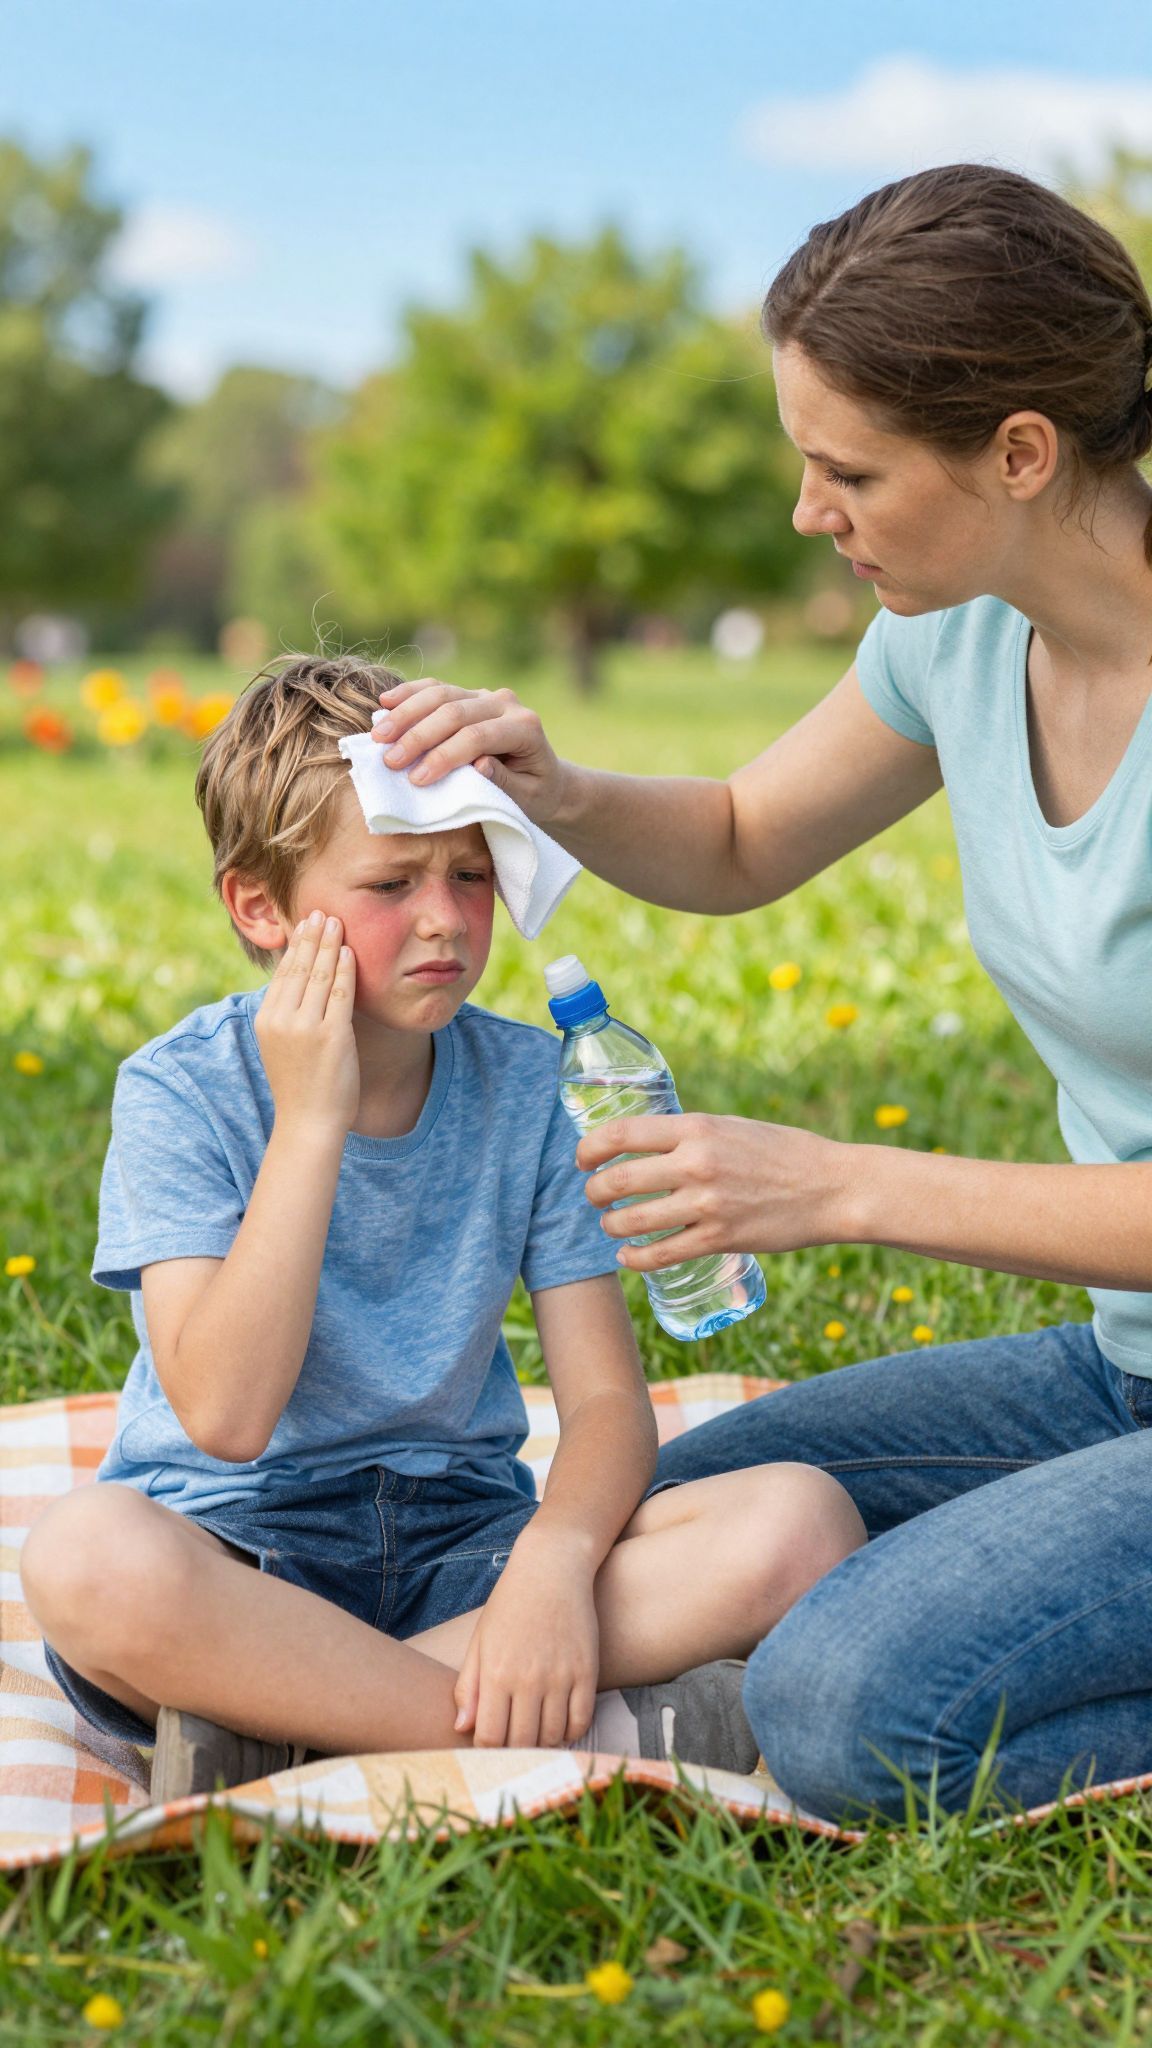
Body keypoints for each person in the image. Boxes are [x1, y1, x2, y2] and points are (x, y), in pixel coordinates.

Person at [363, 162, 1152, 1825]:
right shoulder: (959, 637)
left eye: (845, 469)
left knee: (852, 1706)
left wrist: (840, 1181)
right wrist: (552, 782)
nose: (809, 512)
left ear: (1017, 452)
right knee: (670, 1509)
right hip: (1123, 1367)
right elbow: (732, 840)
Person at [20, 654, 865, 1801]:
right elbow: (224, 1413)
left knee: (799, 1520)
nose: (445, 921)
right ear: (259, 906)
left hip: (465, 1554)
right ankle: (572, 1732)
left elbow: (609, 1403)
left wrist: (551, 1571)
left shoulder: (527, 1082)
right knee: (86, 1559)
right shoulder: (183, 1089)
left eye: (471, 872)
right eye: (389, 884)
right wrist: (310, 1122)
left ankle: (282, 1731)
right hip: (237, 1550)